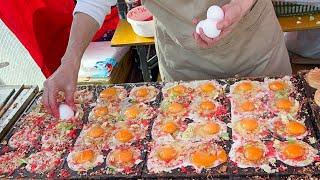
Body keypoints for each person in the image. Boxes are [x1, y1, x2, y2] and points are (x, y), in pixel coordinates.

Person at [43, 0, 292, 117]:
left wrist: (239, 6)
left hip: (252, 47)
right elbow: (94, 2)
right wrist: (69, 63)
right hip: (183, 58)